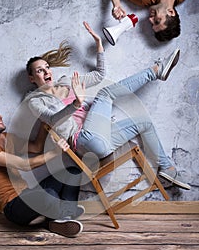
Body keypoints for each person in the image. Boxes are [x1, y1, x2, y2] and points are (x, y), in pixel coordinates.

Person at [24, 22, 190, 190]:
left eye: (47, 67)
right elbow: (52, 119)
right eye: (39, 71)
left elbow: (99, 75)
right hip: (83, 141)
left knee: (144, 124)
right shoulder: (35, 101)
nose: (47, 72)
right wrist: (76, 103)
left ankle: (168, 168)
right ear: (32, 78)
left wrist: (99, 45)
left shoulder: (67, 81)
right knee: (104, 94)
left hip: (103, 141)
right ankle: (155, 70)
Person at [0, 100, 85, 238]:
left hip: (27, 194)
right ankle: (59, 215)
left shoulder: (7, 138)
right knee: (48, 194)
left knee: (72, 172)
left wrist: (44, 121)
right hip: (13, 207)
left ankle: (61, 217)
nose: (0, 116)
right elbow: (24, 165)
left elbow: (36, 147)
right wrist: (55, 152)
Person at [106, 0, 199, 41]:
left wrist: (116, 5)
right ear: (170, 12)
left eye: (152, 24)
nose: (150, 19)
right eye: (157, 21)